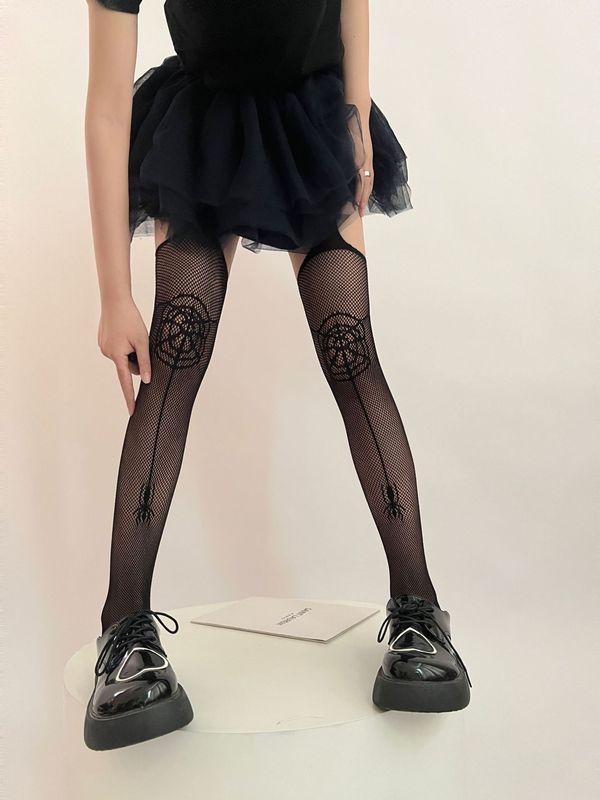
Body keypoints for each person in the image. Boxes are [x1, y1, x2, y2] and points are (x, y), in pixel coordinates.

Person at [83, 0, 471, 751]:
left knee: (349, 350)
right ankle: (123, 627)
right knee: (176, 357)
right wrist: (113, 294)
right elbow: (105, 110)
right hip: (205, 125)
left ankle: (418, 607)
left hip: (310, 118)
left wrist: (356, 113)